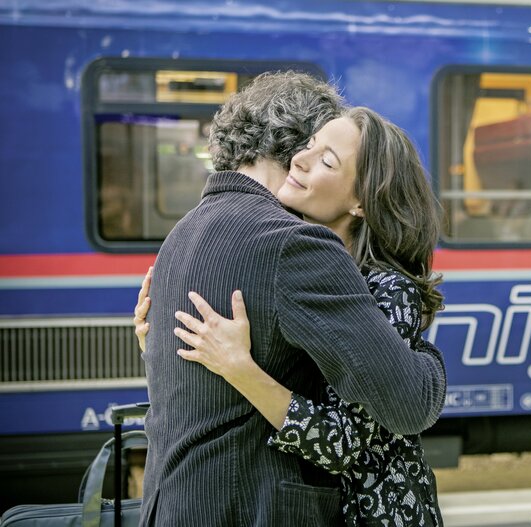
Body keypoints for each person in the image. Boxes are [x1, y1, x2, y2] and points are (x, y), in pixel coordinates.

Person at [136, 72, 446, 526]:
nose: (303, 159)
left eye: (327, 158)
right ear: (291, 142)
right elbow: (409, 404)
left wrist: (158, 346)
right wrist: (430, 358)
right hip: (245, 507)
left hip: (174, 503)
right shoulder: (293, 245)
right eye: (310, 146)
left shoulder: (180, 236)